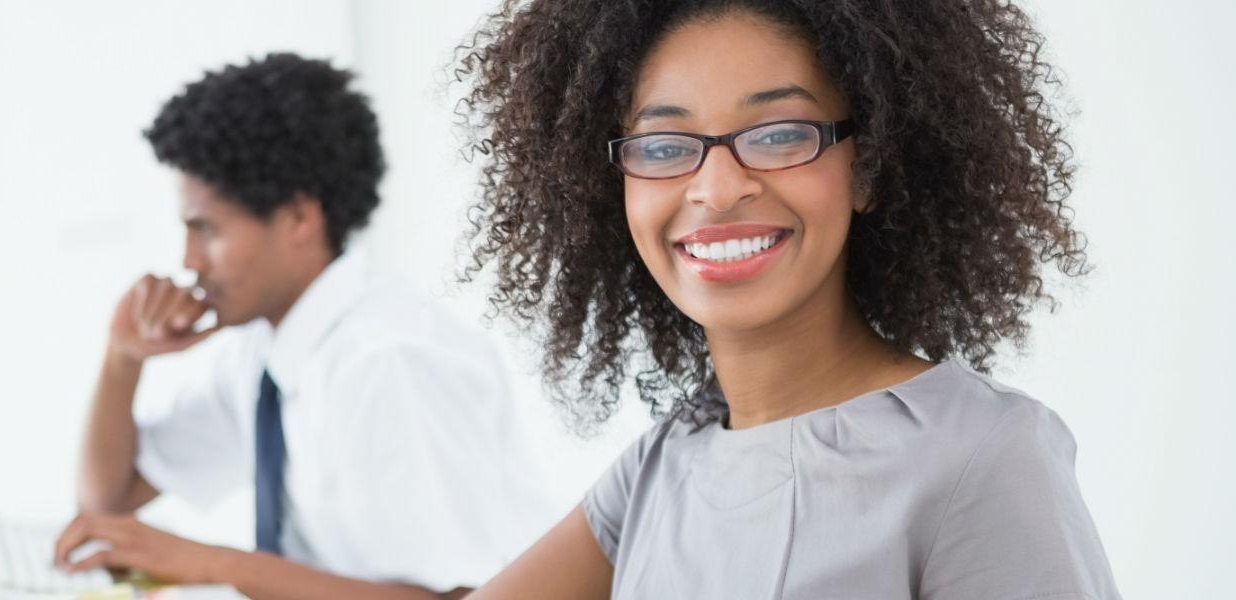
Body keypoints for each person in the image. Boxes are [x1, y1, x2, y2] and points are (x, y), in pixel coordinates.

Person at [450, 0, 1120, 598]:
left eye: (778, 135)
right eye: (662, 145)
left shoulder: (981, 455)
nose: (716, 189)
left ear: (870, 167)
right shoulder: (659, 470)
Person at [53, 53, 548, 599]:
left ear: (297, 219)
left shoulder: (386, 362)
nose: (190, 261)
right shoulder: (266, 351)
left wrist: (216, 565)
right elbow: (109, 501)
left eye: (206, 229)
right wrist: (122, 359)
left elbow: (460, 599)